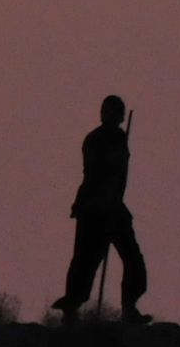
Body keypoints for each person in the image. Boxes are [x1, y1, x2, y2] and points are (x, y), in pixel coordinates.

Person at [51, 96, 149, 323]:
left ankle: (129, 307)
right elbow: (94, 172)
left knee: (133, 259)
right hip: (93, 209)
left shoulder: (120, 139)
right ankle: (71, 309)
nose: (117, 117)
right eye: (113, 112)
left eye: (118, 113)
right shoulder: (94, 139)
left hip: (114, 208)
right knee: (85, 260)